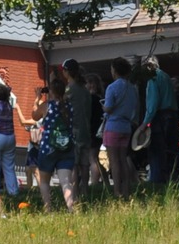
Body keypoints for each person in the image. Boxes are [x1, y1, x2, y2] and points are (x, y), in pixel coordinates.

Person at [33, 75, 80, 212]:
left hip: (48, 147)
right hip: (66, 147)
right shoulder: (69, 107)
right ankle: (72, 209)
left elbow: (34, 116)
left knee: (44, 181)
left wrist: (37, 99)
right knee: (66, 181)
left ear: (51, 92)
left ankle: (48, 209)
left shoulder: (47, 105)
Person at [101, 57, 141, 198]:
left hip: (113, 126)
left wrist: (103, 107)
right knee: (123, 159)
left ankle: (117, 191)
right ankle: (126, 190)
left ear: (115, 70)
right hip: (126, 126)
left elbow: (109, 108)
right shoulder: (132, 88)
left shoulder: (112, 87)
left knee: (114, 160)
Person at [144, 58, 179, 185]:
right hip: (172, 117)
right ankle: (173, 181)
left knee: (157, 152)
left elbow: (153, 103)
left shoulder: (153, 78)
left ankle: (157, 183)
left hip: (160, 119)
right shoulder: (165, 76)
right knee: (171, 152)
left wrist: (145, 123)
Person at [60, 61, 97, 193]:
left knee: (74, 165)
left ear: (67, 71)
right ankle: (85, 191)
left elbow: (61, 107)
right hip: (86, 131)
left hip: (73, 131)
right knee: (85, 164)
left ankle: (74, 193)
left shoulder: (69, 89)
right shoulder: (85, 90)